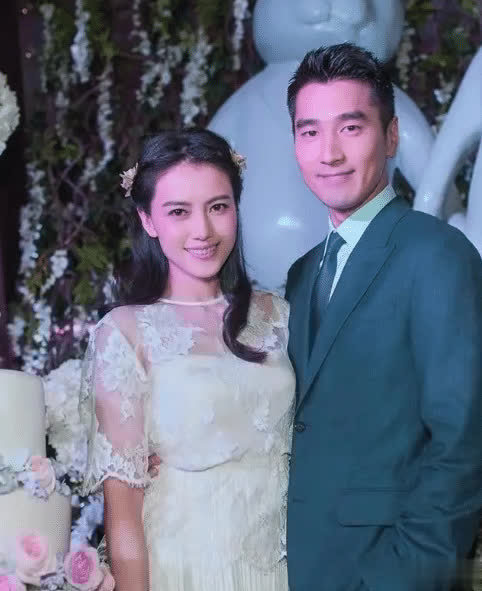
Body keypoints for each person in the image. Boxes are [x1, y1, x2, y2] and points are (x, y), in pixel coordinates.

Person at [284, 43, 482, 591]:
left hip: (388, 570)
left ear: (391, 136)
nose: (329, 153)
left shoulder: (437, 254)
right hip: (300, 567)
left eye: (351, 128)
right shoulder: (301, 275)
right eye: (309, 132)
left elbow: (463, 438)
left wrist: (407, 574)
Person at [79, 129, 296, 591]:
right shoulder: (125, 332)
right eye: (179, 212)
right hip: (185, 566)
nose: (203, 231)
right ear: (148, 220)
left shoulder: (278, 315)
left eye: (218, 207)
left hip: (282, 562)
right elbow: (124, 512)